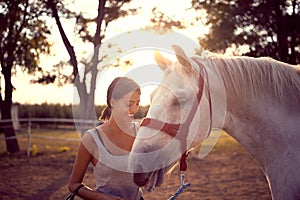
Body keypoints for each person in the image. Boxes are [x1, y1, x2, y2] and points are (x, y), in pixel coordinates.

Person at [68, 77, 143, 200]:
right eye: (129, 104)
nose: (134, 110)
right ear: (112, 102)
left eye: (137, 103)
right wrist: (103, 198)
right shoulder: (91, 139)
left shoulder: (141, 132)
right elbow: (73, 185)